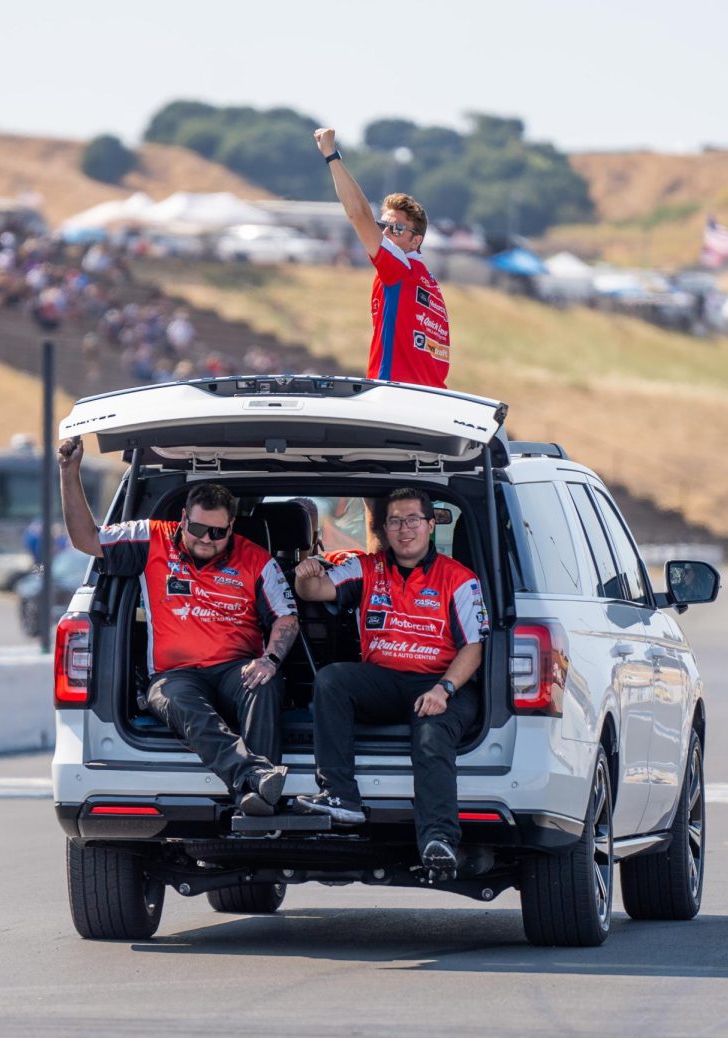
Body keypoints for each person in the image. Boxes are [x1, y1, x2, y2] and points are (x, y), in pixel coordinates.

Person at [58, 436, 299, 815]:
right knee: (180, 702)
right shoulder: (150, 537)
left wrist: (269, 659)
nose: (206, 540)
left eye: (218, 533)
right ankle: (256, 778)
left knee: (265, 682)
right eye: (198, 529)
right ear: (183, 519)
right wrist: (68, 473)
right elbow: (85, 539)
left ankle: (256, 797)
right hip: (175, 674)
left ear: (232, 527)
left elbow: (286, 618)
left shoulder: (257, 560)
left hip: (236, 669)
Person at [293, 487, 488, 878]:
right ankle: (340, 797)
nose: (404, 529)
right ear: (385, 527)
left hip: (443, 684)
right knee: (332, 680)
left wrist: (443, 690)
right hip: (385, 680)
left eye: (413, 520)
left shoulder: (459, 579)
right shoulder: (366, 567)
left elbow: (474, 649)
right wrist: (304, 575)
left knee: (432, 738)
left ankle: (439, 841)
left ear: (431, 526)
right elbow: (317, 591)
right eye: (396, 521)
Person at [314, 127, 450, 389]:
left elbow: (358, 213)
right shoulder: (427, 281)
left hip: (395, 394)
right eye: (383, 226)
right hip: (429, 399)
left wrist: (331, 155)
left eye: (397, 229)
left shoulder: (400, 267)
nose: (386, 233)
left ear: (416, 241)